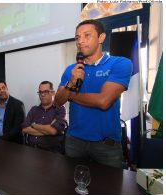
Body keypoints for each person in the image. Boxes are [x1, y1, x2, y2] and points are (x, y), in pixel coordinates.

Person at [54, 19, 133, 168]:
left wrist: (70, 94)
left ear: (101, 38)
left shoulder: (120, 63)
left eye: (86, 35)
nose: (80, 41)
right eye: (77, 37)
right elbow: (57, 101)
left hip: (106, 145)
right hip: (74, 141)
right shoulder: (72, 70)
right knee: (72, 186)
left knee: (109, 189)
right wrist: (71, 83)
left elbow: (103, 101)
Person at [22, 81, 67, 153]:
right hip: (30, 150)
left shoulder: (60, 109)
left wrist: (33, 125)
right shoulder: (34, 109)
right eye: (40, 92)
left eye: (46, 92)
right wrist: (47, 129)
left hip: (50, 153)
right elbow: (24, 129)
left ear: (53, 93)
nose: (42, 94)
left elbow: (53, 131)